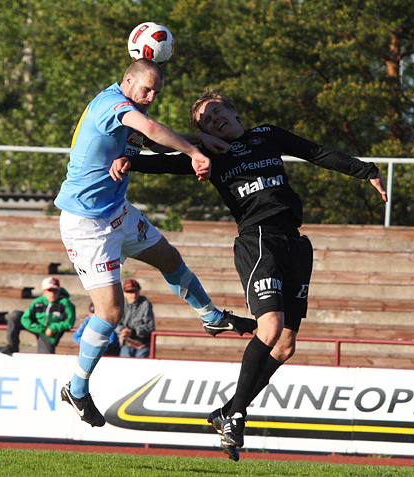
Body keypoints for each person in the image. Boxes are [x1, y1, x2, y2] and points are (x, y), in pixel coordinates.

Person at [110, 89, 388, 460]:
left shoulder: (267, 135)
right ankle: (236, 413)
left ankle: (227, 411)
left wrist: (365, 170)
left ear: (235, 113)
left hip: (295, 244)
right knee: (269, 329)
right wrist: (127, 160)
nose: (213, 120)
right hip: (259, 241)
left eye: (217, 112)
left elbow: (315, 151)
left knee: (285, 346)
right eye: (205, 121)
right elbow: (161, 161)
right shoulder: (208, 155)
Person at [54, 60, 256, 428]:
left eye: (155, 93)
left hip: (118, 212)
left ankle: (211, 318)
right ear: (127, 80)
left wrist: (198, 140)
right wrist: (195, 153)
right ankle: (77, 389)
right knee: (111, 313)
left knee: (169, 258)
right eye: (145, 90)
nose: (150, 98)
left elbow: (150, 140)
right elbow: (147, 127)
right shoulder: (111, 104)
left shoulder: (131, 113)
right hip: (87, 225)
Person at [0, 277, 76, 355]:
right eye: (49, 291)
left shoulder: (65, 303)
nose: (52, 294)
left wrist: (52, 328)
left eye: (55, 290)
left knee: (44, 357)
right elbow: (25, 318)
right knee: (15, 315)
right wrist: (38, 328)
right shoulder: (38, 302)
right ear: (44, 291)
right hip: (38, 327)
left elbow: (69, 322)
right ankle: (12, 345)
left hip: (49, 334)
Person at [116, 279, 155, 358]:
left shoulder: (145, 304)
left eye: (136, 292)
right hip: (127, 343)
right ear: (124, 293)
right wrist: (122, 331)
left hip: (143, 345)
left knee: (140, 368)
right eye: (130, 292)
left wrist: (133, 332)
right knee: (123, 365)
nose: (133, 295)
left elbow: (150, 327)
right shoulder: (121, 304)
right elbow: (116, 322)